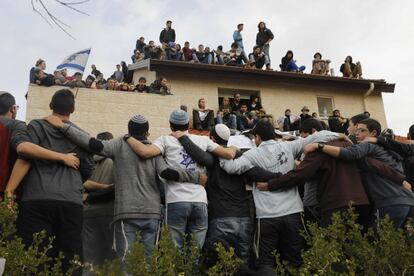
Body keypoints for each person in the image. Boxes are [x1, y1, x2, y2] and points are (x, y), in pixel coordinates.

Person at [44, 113, 205, 262]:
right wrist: (196, 177)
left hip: (126, 213)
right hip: (152, 214)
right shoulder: (154, 150)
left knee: (126, 263)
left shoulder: (119, 144)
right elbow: (167, 172)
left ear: (129, 131)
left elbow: (91, 143)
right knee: (148, 263)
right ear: (147, 133)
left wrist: (63, 127)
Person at [219, 120, 340, 273]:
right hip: (293, 214)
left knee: (265, 263)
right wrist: (341, 135)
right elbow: (320, 135)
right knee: (295, 261)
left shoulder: (252, 154)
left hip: (267, 216)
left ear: (257, 137)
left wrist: (222, 151)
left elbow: (231, 168)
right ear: (274, 134)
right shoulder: (289, 146)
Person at [123, 110, 237, 250]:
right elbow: (228, 154)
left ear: (171, 125)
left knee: (174, 252)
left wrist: (127, 137)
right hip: (200, 202)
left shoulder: (165, 140)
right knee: (195, 252)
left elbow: (145, 153)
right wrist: (235, 148)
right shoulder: (203, 139)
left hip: (175, 201)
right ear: (188, 124)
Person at [12, 89, 94, 274]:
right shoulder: (81, 134)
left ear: (50, 105)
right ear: (72, 108)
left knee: (35, 256)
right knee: (70, 258)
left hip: (36, 198)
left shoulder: (37, 126)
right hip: (71, 201)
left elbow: (25, 152)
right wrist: (73, 181)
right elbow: (88, 167)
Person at [170, 124, 280, 261]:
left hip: (221, 218)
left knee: (220, 262)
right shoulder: (238, 156)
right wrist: (282, 176)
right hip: (244, 219)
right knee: (242, 263)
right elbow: (258, 173)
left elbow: (199, 155)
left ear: (212, 139)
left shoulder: (211, 157)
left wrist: (183, 138)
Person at [256, 118, 371, 227]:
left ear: (314, 133)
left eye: (305, 138)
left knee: (332, 245)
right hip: (362, 202)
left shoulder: (318, 148)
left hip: (336, 205)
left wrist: (271, 185)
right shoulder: (348, 144)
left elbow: (300, 174)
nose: (303, 144)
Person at [304, 118, 414, 228]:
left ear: (373, 133)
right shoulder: (391, 152)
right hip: (409, 202)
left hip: (390, 204)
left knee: (378, 242)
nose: (357, 133)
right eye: (356, 130)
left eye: (361, 130)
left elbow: (350, 154)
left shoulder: (368, 145)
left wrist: (319, 146)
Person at [1, 91, 80, 201]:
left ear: (51, 105)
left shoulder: (36, 126)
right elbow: (24, 149)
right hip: (7, 191)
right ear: (13, 109)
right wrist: (63, 157)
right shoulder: (17, 126)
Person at [82, 132, 116, 268]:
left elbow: (83, 182)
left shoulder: (87, 160)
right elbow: (117, 188)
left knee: (90, 260)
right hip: (109, 212)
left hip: (88, 212)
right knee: (111, 258)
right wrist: (106, 187)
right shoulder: (115, 160)